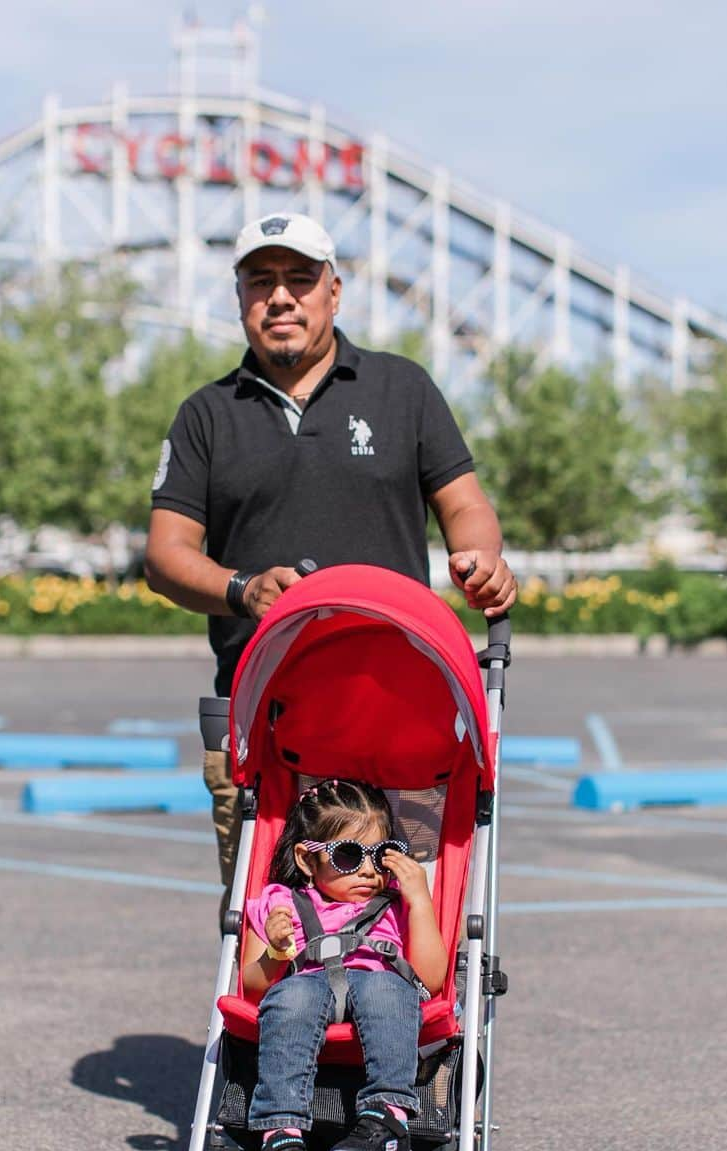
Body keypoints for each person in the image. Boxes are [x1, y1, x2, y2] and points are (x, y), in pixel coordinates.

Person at [144, 211, 517, 916]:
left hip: (402, 716)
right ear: (241, 299)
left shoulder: (401, 389)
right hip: (264, 728)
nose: (280, 297)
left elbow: (466, 504)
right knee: (271, 933)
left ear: (334, 292)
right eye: (261, 282)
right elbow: (165, 555)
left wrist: (481, 555)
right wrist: (241, 588)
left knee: (413, 930)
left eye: (298, 279)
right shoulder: (206, 415)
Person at [239, 777, 447, 1151]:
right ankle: (282, 1145)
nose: (369, 871)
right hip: (304, 987)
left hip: (377, 986)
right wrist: (277, 951)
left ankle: (386, 1120)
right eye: (350, 855)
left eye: (381, 856)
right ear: (307, 857)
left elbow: (432, 976)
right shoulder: (280, 902)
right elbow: (254, 984)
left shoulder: (393, 904)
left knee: (390, 988)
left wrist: (419, 900)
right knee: (290, 999)